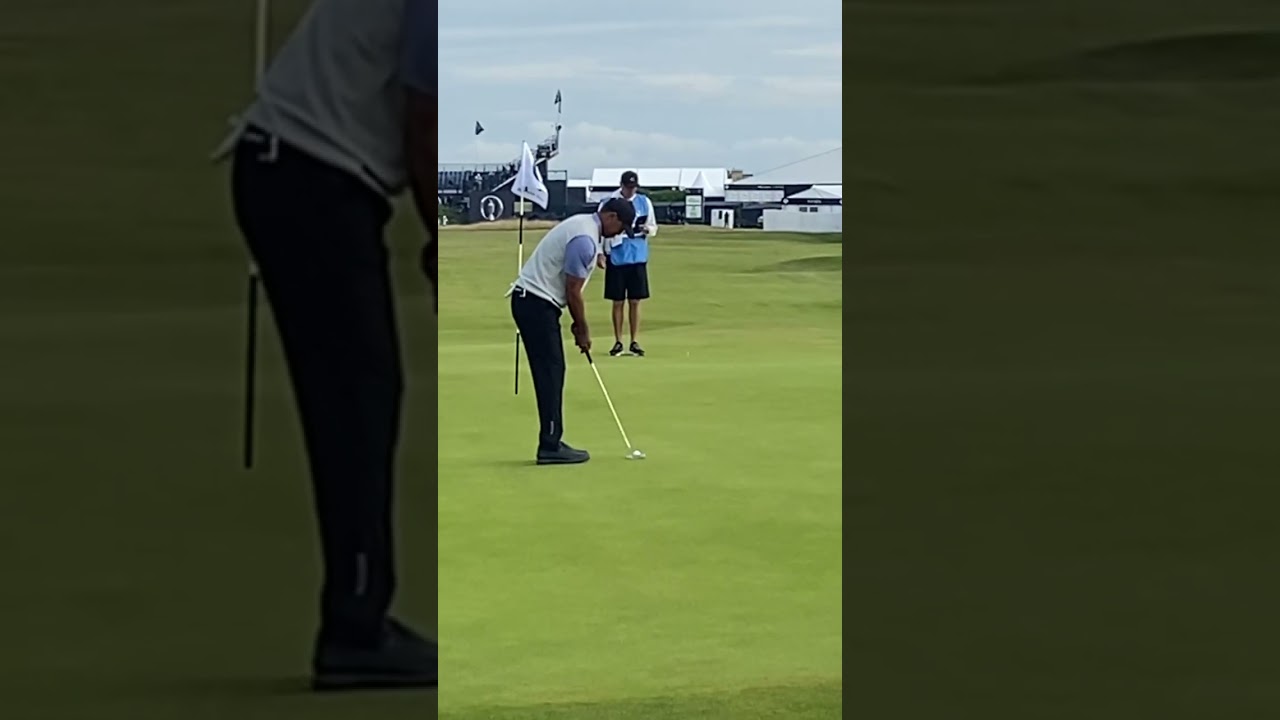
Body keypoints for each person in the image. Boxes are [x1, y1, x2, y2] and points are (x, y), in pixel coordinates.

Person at [213, 0, 437, 692]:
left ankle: (360, 617)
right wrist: (443, 246)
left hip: (301, 173)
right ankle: (355, 629)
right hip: (307, 178)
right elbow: (424, 119)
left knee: (365, 394)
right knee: (357, 402)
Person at [508, 199, 635, 464]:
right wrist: (583, 329)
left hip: (534, 302)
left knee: (552, 370)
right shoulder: (585, 240)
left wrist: (577, 325)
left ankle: (551, 440)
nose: (621, 233)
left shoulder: (587, 228)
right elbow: (572, 291)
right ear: (610, 216)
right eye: (621, 226)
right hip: (535, 304)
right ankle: (550, 445)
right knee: (551, 372)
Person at [599, 171, 658, 357]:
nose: (630, 190)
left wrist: (646, 229)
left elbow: (653, 226)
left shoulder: (644, 202)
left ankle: (634, 340)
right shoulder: (609, 202)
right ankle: (618, 341)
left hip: (637, 255)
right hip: (617, 254)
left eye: (633, 187)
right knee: (618, 301)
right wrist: (600, 253)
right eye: (627, 187)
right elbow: (600, 229)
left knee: (635, 300)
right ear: (621, 185)